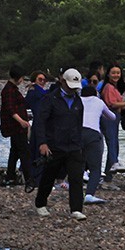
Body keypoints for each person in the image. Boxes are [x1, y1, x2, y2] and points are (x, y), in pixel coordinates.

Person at [33, 68, 89, 220]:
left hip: (74, 145)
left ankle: (76, 209)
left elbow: (79, 123)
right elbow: (40, 122)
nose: (73, 89)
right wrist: (42, 143)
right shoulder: (50, 99)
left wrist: (80, 143)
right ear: (62, 82)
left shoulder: (78, 101)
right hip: (54, 145)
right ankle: (40, 203)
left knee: (76, 177)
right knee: (49, 175)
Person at [80, 85, 118, 204]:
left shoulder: (78, 100)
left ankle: (76, 193)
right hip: (93, 134)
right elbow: (112, 117)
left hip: (77, 134)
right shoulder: (99, 102)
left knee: (78, 164)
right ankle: (89, 195)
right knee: (95, 168)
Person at [0, 67, 32, 186]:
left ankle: (10, 175)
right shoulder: (8, 90)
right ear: (17, 78)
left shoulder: (12, 89)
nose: (22, 80)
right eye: (22, 78)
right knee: (24, 151)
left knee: (15, 151)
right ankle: (29, 179)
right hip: (15, 126)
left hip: (16, 126)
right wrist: (21, 121)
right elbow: (10, 109)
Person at [99, 64, 125, 176]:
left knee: (114, 143)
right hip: (109, 117)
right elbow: (111, 104)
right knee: (112, 142)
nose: (116, 75)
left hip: (115, 117)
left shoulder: (115, 87)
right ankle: (114, 163)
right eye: (113, 73)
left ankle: (109, 176)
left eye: (118, 73)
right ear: (108, 74)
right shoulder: (108, 87)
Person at [23, 70, 51, 192]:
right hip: (39, 124)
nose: (43, 82)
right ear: (34, 80)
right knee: (37, 150)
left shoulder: (36, 91)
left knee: (36, 150)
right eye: (40, 79)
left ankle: (36, 177)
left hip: (42, 123)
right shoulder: (35, 91)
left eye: (44, 79)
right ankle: (36, 178)